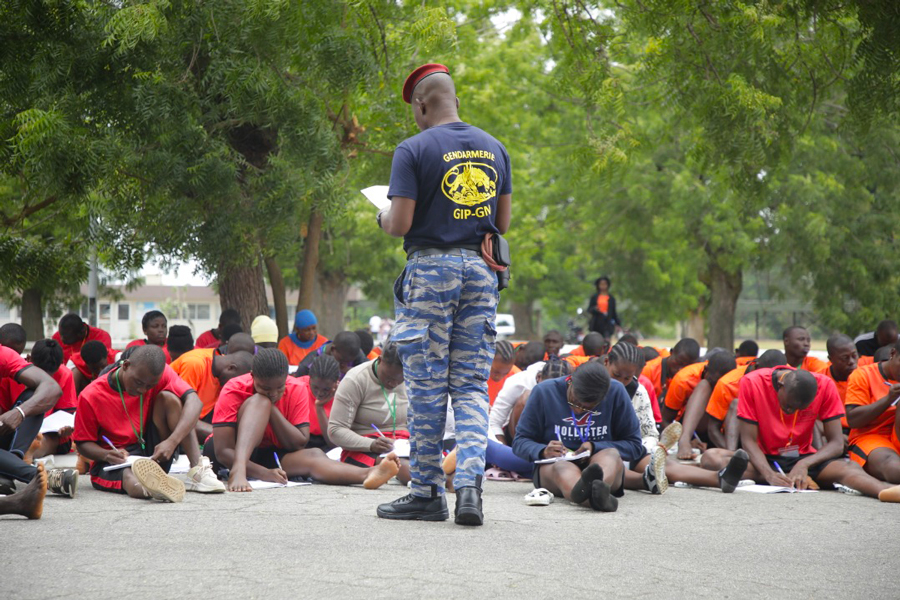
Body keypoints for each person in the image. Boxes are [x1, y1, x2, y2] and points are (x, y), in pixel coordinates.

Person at [375, 63, 512, 526]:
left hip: (431, 272)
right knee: (471, 386)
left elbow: (400, 225)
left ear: (421, 105)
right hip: (480, 270)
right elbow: (503, 224)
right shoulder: (495, 148)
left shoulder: (412, 149)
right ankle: (470, 487)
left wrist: (381, 218)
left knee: (428, 388)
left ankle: (428, 493)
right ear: (456, 100)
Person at [204, 349, 401, 492]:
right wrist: (263, 473)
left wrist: (272, 410)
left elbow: (298, 442)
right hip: (230, 454)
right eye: (265, 387)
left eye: (279, 388)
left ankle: (369, 474)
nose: (274, 393)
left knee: (314, 455)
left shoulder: (295, 387)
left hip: (272, 456)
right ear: (252, 376)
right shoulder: (234, 388)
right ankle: (238, 470)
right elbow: (222, 450)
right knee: (259, 401)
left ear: (286, 377)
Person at [701, 366, 900, 502]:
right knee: (712, 457)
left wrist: (803, 464)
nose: (792, 412)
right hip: (764, 460)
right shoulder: (752, 382)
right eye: (788, 406)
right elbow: (748, 441)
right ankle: (784, 478)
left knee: (849, 467)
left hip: (803, 458)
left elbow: (837, 444)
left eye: (800, 409)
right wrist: (769, 475)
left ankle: (885, 492)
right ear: (780, 385)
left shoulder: (826, 385)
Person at [72, 345, 225, 500]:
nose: (142, 390)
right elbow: (83, 444)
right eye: (138, 382)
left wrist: (172, 442)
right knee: (128, 474)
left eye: (149, 386)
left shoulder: (158, 372)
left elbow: (194, 402)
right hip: (115, 458)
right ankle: (149, 489)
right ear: (125, 366)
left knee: (170, 399)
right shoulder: (91, 395)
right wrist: (106, 455)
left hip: (151, 451)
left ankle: (197, 470)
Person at [512, 361, 643, 512]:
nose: (578, 410)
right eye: (574, 402)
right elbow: (519, 441)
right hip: (556, 464)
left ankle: (596, 491)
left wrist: (595, 447)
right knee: (562, 466)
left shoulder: (616, 391)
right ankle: (592, 496)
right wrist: (542, 450)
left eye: (588, 407)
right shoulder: (544, 391)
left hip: (600, 461)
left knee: (610, 455)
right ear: (571, 381)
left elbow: (634, 445)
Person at [0, 344, 77, 498]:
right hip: (20, 436)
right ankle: (39, 475)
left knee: (38, 396)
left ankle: (12, 464)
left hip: (22, 432)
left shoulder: (4, 354)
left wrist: (20, 412)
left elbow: (51, 388)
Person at [328, 343, 411, 483]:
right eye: (389, 377)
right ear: (380, 360)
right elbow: (335, 430)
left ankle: (451, 481)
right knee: (399, 464)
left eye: (400, 379)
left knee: (431, 461)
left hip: (404, 444)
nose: (394, 384)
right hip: (366, 447)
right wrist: (371, 444)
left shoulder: (412, 376)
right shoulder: (355, 379)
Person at [483, 360, 572, 481]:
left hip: (554, 443)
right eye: (549, 388)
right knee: (528, 396)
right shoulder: (518, 382)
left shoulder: (570, 387)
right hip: (519, 440)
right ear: (539, 377)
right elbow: (494, 422)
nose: (552, 394)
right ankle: (522, 457)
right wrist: (503, 450)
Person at [662, 351, 737, 459]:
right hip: (691, 429)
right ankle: (685, 439)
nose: (719, 388)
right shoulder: (684, 378)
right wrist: (684, 440)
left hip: (721, 432)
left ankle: (732, 454)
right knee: (704, 385)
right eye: (716, 383)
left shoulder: (736, 380)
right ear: (706, 370)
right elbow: (665, 419)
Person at [844, 339, 900, 484]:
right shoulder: (863, 375)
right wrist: (888, 399)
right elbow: (853, 420)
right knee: (894, 469)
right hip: (870, 437)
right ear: (893, 354)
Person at [706, 350, 786, 450]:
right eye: (766, 376)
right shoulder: (727, 384)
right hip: (736, 439)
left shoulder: (783, 381)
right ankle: (732, 458)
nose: (769, 382)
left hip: (767, 442)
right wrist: (732, 455)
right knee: (737, 403)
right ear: (756, 367)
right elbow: (713, 429)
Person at [170, 347, 254, 441]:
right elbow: (180, 416)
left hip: (201, 417)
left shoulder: (221, 366)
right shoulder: (195, 364)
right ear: (231, 368)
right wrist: (224, 436)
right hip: (179, 417)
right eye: (237, 382)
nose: (235, 386)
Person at [299, 355, 341, 449]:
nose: (320, 393)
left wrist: (319, 407)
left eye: (326, 389)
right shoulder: (298, 388)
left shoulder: (343, 395)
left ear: (336, 382)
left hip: (328, 443)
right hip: (301, 442)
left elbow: (333, 444)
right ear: (309, 378)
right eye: (315, 387)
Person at [294, 331, 366, 379]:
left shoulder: (354, 354)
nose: (345, 365)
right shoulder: (308, 365)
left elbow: (369, 374)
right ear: (332, 349)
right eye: (342, 361)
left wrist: (351, 371)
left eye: (349, 362)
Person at [488, 341, 519, 406]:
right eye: (496, 372)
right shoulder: (475, 375)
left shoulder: (517, 378)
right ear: (488, 359)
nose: (499, 377)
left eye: (506, 373)